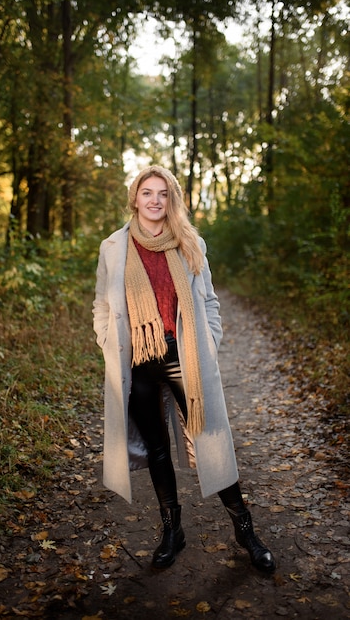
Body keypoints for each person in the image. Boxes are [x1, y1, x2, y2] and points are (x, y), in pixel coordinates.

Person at [92, 165, 275, 574]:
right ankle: (172, 531)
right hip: (136, 360)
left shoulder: (189, 242)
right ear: (134, 199)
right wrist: (106, 337)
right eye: (147, 193)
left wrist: (209, 342)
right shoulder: (113, 248)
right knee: (156, 447)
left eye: (162, 194)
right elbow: (102, 303)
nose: (154, 200)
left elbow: (209, 301)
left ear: (171, 200)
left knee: (209, 438)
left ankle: (246, 531)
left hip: (182, 355)